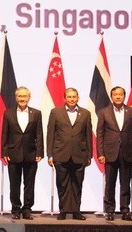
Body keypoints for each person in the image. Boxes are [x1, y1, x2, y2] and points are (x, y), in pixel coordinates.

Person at [47, 87, 92, 221]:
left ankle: (76, 211)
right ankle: (63, 210)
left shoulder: (85, 113)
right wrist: (50, 155)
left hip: (80, 154)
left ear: (78, 98)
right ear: (64, 98)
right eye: (69, 97)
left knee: (77, 184)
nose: (72, 99)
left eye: (74, 97)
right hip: (60, 153)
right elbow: (51, 134)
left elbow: (88, 135)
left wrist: (89, 155)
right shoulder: (55, 112)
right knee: (62, 184)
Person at [96, 86, 132, 221]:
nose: (118, 96)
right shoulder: (104, 112)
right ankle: (109, 210)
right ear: (111, 96)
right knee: (110, 183)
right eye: (115, 94)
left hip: (127, 152)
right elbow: (100, 134)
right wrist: (100, 153)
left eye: (120, 94)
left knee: (125, 184)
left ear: (124, 96)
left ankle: (125, 210)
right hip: (110, 152)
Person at [1, 86, 43, 220]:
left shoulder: (36, 113)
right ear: (16, 98)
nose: (22, 99)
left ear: (29, 98)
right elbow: (4, 134)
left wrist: (40, 152)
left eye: (25, 96)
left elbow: (39, 134)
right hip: (13, 153)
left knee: (29, 184)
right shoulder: (8, 113)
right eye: (20, 96)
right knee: (14, 183)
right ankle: (15, 209)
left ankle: (27, 209)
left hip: (31, 153)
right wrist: (4, 151)